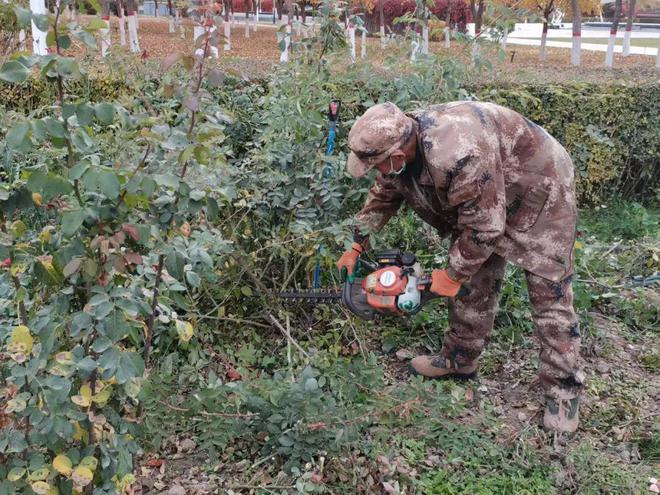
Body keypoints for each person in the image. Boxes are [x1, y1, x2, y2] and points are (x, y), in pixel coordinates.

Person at [337, 101, 585, 433]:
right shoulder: (403, 153)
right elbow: (385, 192)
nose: (377, 172)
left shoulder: (458, 152)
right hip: (486, 197)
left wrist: (451, 274)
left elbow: (485, 227)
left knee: (548, 292)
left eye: (377, 166)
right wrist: (357, 243)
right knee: (473, 278)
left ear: (396, 155)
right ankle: (459, 358)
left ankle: (564, 390)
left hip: (539, 186)